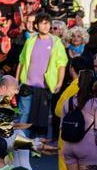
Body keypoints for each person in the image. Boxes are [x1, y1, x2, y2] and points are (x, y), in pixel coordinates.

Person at [17, 14, 67, 142]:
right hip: (27, 84)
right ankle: (21, 144)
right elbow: (21, 61)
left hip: (46, 86)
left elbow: (62, 64)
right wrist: (16, 80)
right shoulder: (30, 41)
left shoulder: (56, 42)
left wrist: (59, 83)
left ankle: (38, 147)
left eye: (47, 23)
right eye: (42, 23)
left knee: (43, 117)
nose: (45, 26)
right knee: (24, 115)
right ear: (36, 25)